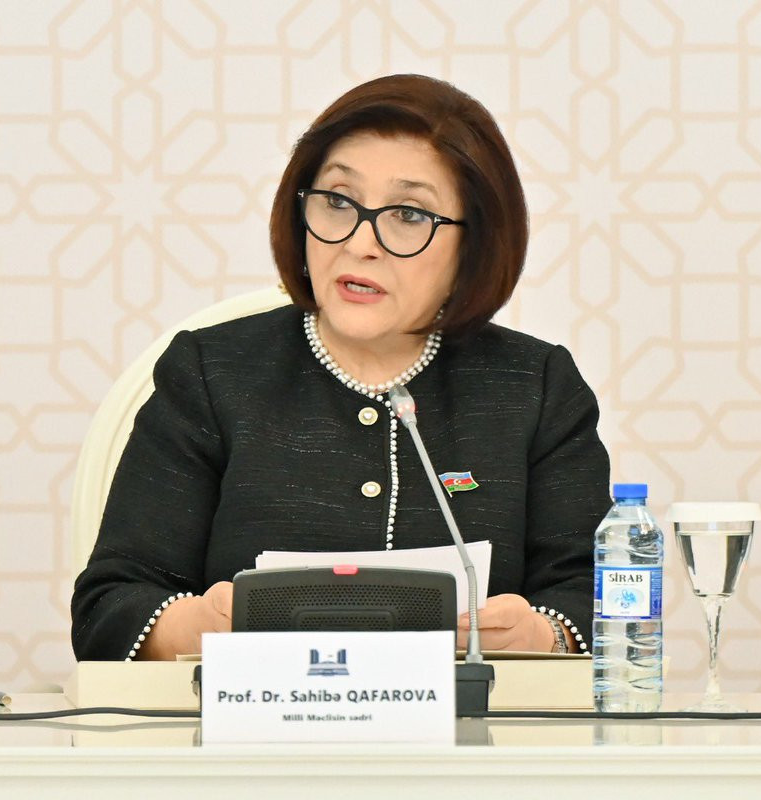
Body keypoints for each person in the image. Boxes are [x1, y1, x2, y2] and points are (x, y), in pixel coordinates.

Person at [71, 74, 611, 662]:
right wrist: (197, 626)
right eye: (337, 201)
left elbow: (601, 597)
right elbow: (109, 608)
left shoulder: (536, 387)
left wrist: (542, 635)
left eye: (408, 213)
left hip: (474, 722)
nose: (360, 243)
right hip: (251, 721)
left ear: (474, 245)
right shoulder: (210, 373)